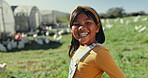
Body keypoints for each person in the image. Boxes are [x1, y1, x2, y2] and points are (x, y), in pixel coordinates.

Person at [68, 6, 126, 78]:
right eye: (76, 24)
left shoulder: (99, 53)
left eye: (88, 23)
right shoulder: (81, 47)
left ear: (97, 27)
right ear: (71, 28)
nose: (81, 27)